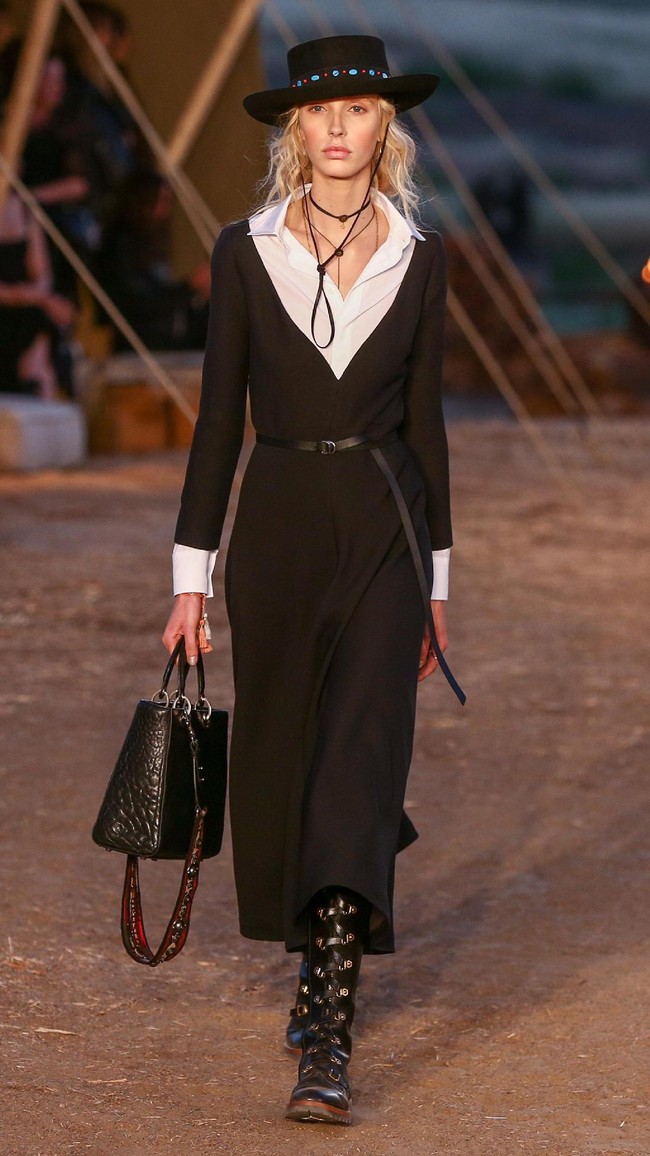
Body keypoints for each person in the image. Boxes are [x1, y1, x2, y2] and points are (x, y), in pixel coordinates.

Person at [162, 35, 463, 1127]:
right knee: (284, 765)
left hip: (383, 526)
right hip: (277, 531)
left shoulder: (422, 258)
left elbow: (425, 431)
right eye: (319, 111)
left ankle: (326, 1032)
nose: (338, 126)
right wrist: (189, 577)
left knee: (355, 759)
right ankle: (313, 944)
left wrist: (436, 586)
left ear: (385, 127)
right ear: (298, 129)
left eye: (359, 108)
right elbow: (212, 426)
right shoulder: (242, 253)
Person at [94, 169, 210, 350]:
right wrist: (190, 286)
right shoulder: (119, 247)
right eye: (160, 202)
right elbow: (140, 304)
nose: (165, 211)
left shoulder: (145, 243)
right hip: (138, 342)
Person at [0, 190, 74, 396]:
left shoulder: (25, 209)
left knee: (40, 325)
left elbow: (42, 276)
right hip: (6, 303)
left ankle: (39, 400)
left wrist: (39, 298)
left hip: (25, 306)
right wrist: (37, 298)